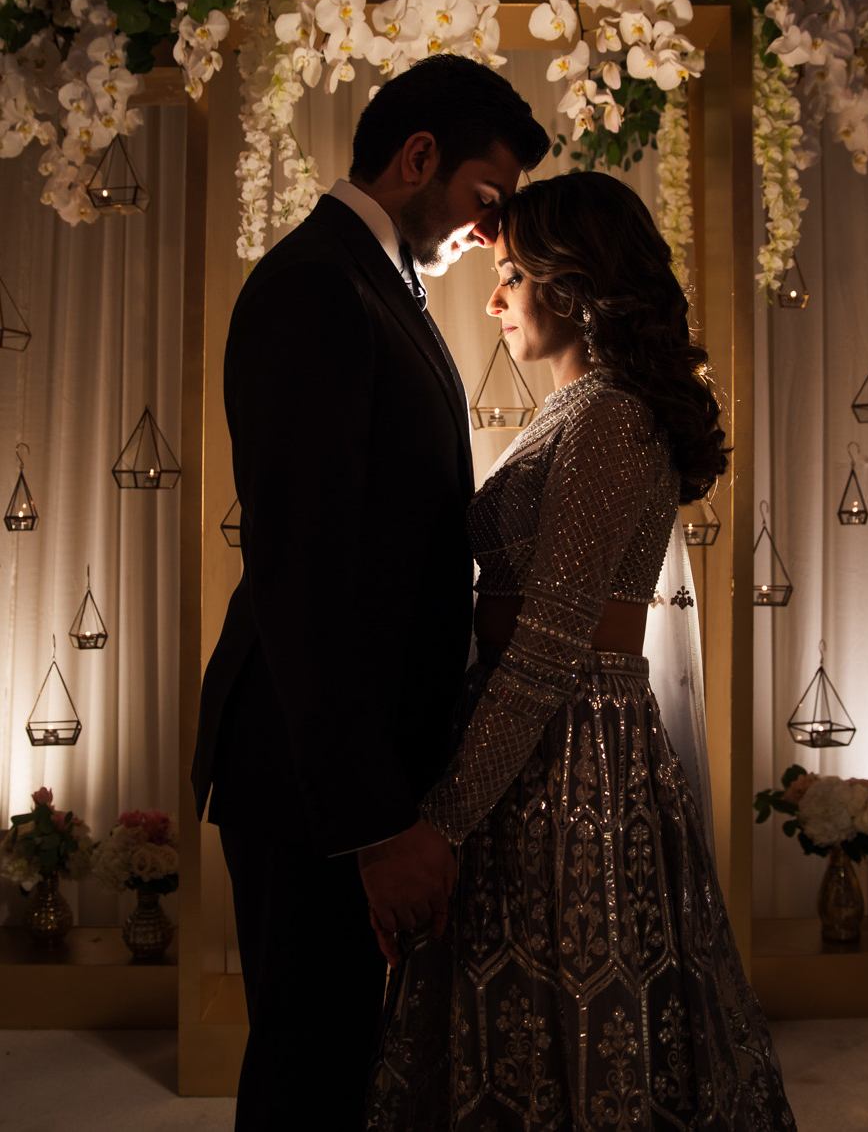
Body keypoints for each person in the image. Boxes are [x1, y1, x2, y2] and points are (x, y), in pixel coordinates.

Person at [367, 172, 796, 1129]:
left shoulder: (609, 417)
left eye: (512, 275)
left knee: (575, 1017)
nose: (492, 299)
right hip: (535, 742)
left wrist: (444, 816)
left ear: (573, 285)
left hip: (571, 758)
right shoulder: (572, 407)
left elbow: (552, 644)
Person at [190, 55, 550, 1130]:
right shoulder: (316, 285)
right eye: (488, 200)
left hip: (354, 768)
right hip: (312, 780)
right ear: (418, 158)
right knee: (310, 1071)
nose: (493, 235)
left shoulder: (374, 280)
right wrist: (374, 825)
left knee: (347, 1068)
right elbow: (304, 571)